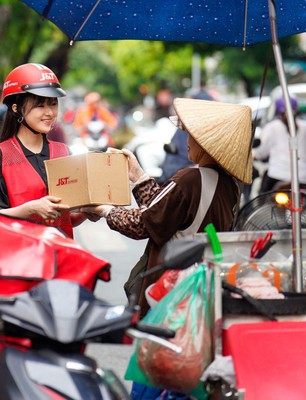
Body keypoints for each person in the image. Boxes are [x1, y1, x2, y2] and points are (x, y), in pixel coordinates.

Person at [82, 98, 253, 400]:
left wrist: (106, 210)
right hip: (200, 294)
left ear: (206, 143)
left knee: (153, 375)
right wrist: (137, 175)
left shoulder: (189, 178)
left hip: (169, 297)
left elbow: (144, 224)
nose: (186, 141)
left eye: (191, 136)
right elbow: (166, 212)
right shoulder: (228, 186)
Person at [0, 63, 87, 238]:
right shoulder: (0, 155)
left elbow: (66, 219)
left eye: (52, 104)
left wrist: (87, 213)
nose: (50, 113)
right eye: (40, 105)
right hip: (19, 257)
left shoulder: (63, 152)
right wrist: (31, 209)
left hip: (59, 257)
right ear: (16, 108)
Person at [254, 96, 306, 194]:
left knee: (264, 202)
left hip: (276, 176)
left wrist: (255, 155)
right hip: (302, 178)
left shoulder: (272, 127)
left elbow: (261, 152)